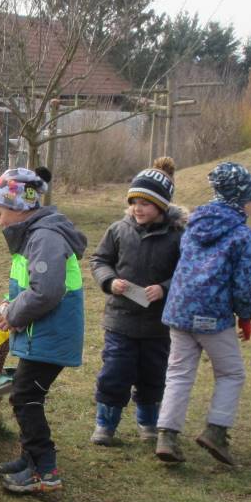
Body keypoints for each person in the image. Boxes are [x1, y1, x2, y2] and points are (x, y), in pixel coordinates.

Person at [0, 166, 88, 495]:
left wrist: (13, 314)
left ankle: (44, 470)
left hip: (50, 336)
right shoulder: (34, 235)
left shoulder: (44, 237)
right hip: (41, 335)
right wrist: (11, 304)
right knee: (26, 393)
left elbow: (46, 291)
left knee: (25, 396)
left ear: (18, 208)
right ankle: (29, 459)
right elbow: (32, 285)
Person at [154, 161, 251, 467]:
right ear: (241, 197)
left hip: (179, 311)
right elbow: (244, 283)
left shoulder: (194, 225)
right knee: (231, 373)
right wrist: (246, 316)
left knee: (178, 373)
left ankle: (166, 436)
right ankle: (216, 431)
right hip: (213, 316)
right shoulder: (243, 235)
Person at [89, 157, 186, 445]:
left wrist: (165, 288)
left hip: (158, 326)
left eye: (145, 203)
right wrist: (109, 281)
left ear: (161, 206)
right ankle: (105, 425)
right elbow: (99, 260)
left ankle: (149, 424)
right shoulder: (118, 230)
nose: (137, 208)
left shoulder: (178, 236)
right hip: (120, 321)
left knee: (153, 376)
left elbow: (187, 272)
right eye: (134, 202)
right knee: (114, 373)